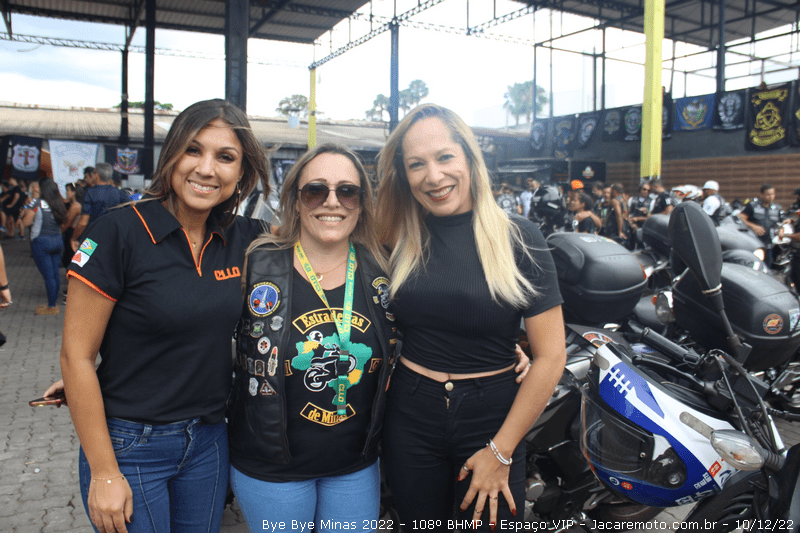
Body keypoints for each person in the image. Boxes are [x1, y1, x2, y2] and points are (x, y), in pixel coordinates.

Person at [54, 98, 270, 533]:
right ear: (171, 154)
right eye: (193, 150)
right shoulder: (118, 230)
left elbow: (325, 236)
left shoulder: (248, 238)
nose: (206, 169)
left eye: (225, 157)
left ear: (242, 172)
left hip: (209, 439)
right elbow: (76, 357)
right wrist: (105, 472)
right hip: (130, 443)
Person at [375, 103, 566, 530]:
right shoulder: (394, 236)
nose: (433, 176)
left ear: (469, 158)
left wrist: (501, 451)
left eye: (445, 157)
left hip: (492, 420)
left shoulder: (519, 237)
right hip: (409, 414)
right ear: (404, 175)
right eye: (416, 164)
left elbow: (552, 356)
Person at [226, 143, 396, 531]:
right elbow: (198, 325)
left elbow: (426, 330)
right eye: (316, 190)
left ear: (361, 203)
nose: (332, 202)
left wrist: (510, 354)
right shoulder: (256, 263)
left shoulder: (384, 267)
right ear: (296, 200)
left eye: (347, 191)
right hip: (272, 469)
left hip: (355, 466)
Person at [24, 179, 66, 315]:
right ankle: (53, 304)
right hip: (58, 241)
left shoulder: (36, 203)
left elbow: (26, 222)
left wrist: (24, 215)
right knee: (55, 274)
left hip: (41, 242)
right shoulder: (59, 202)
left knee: (49, 276)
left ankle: (51, 306)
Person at [71, 162, 132, 251]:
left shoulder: (90, 193)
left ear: (96, 175)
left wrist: (74, 238)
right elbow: (133, 205)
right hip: (113, 237)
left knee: (83, 258)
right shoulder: (117, 192)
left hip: (92, 237)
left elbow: (83, 222)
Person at [738, 183, 781, 269]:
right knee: (754, 268)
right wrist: (753, 226)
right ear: (761, 195)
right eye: (768, 194)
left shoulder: (777, 208)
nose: (771, 197)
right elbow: (740, 217)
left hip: (768, 245)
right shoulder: (752, 206)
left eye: (772, 194)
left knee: (767, 270)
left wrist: (781, 229)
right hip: (754, 245)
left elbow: (780, 222)